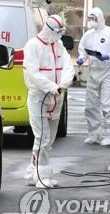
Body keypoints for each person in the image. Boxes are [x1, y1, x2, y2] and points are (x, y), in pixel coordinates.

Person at [23, 15, 75, 187]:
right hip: (39, 97)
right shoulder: (32, 46)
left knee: (49, 139)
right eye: (57, 32)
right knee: (42, 137)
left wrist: (64, 83)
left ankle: (32, 171)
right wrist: (51, 86)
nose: (60, 35)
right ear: (48, 29)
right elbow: (33, 73)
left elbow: (68, 66)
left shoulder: (59, 45)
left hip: (57, 98)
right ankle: (41, 175)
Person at [77, 7, 110, 146]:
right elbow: (83, 49)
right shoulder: (88, 35)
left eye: (93, 19)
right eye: (89, 19)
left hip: (108, 71)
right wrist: (82, 58)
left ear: (99, 18)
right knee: (91, 104)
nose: (91, 21)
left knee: (106, 103)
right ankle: (94, 134)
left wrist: (109, 56)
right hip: (93, 71)